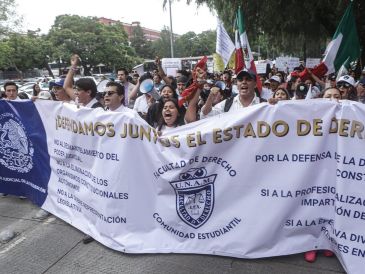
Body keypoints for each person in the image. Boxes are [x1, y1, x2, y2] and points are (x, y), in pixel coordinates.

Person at [200, 69, 265, 118]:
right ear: (237, 84)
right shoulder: (227, 105)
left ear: (255, 84)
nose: (244, 82)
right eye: (240, 80)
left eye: (248, 79)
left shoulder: (264, 105)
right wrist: (210, 98)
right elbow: (205, 115)